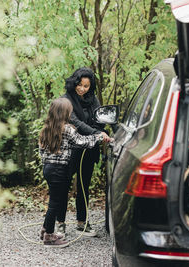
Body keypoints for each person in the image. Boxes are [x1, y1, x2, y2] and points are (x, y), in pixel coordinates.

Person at [39, 97, 109, 248]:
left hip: (48, 169)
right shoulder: (67, 129)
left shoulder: (46, 129)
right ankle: (49, 237)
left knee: (53, 199)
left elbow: (41, 152)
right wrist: (98, 137)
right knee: (54, 204)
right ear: (64, 113)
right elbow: (82, 142)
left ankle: (45, 229)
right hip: (60, 170)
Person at [61, 67, 111, 237]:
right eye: (80, 85)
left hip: (89, 150)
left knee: (83, 186)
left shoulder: (93, 99)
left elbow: (99, 120)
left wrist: (98, 131)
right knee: (64, 185)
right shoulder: (66, 100)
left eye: (86, 86)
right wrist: (96, 133)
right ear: (74, 82)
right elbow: (75, 122)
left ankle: (82, 223)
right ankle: (60, 224)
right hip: (70, 150)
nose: (82, 89)